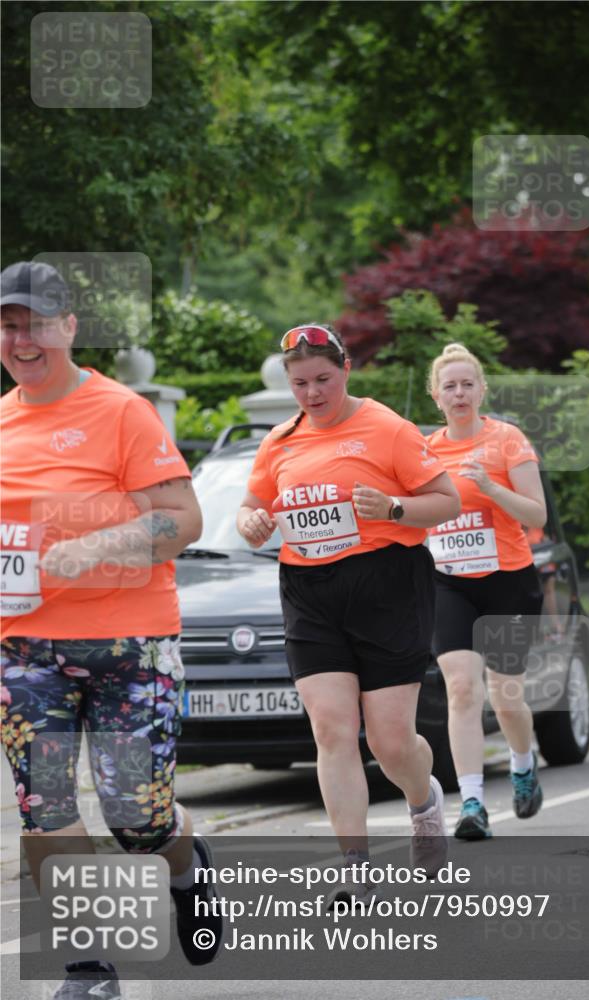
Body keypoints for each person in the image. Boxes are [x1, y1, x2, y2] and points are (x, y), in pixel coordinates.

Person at [0, 261, 222, 1000]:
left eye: (35, 324)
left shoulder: (122, 411)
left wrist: (97, 545)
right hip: (23, 650)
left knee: (136, 817)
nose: (21, 340)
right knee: (45, 806)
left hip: (130, 645)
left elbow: (183, 520)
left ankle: (187, 869)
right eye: (8, 326)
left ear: (69, 327)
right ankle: (90, 969)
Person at [236, 324, 460, 896]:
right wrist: (251, 523)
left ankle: (423, 800)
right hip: (309, 589)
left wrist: (392, 508)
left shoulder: (387, 428)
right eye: (300, 384)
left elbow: (447, 502)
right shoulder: (279, 441)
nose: (312, 393)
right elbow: (251, 506)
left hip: (387, 585)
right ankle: (355, 868)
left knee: (390, 743)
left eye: (323, 379)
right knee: (332, 729)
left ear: (346, 370)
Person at [425, 342, 547, 840]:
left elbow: (536, 514)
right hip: (449, 582)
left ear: (481, 391)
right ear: (436, 396)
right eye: (449, 387)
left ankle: (522, 763)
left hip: (507, 582)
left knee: (506, 696)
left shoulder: (507, 440)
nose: (459, 394)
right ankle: (471, 802)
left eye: (467, 385)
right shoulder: (426, 450)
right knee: (460, 687)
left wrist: (491, 488)